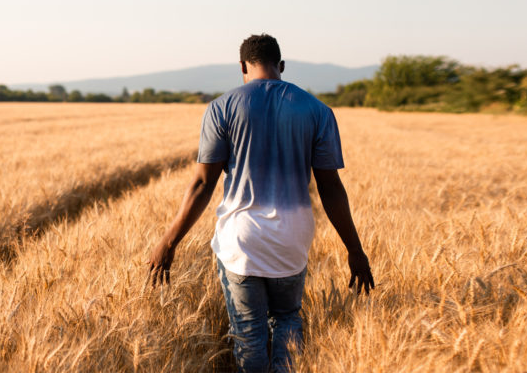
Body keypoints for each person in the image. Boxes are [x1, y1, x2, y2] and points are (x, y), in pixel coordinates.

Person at [148, 34, 374, 373]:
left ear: (241, 67)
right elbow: (330, 188)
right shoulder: (317, 110)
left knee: (249, 334)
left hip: (241, 242)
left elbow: (202, 184)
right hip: (292, 239)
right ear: (281, 67)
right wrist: (354, 250)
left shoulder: (221, 108)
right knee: (287, 318)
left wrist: (168, 242)